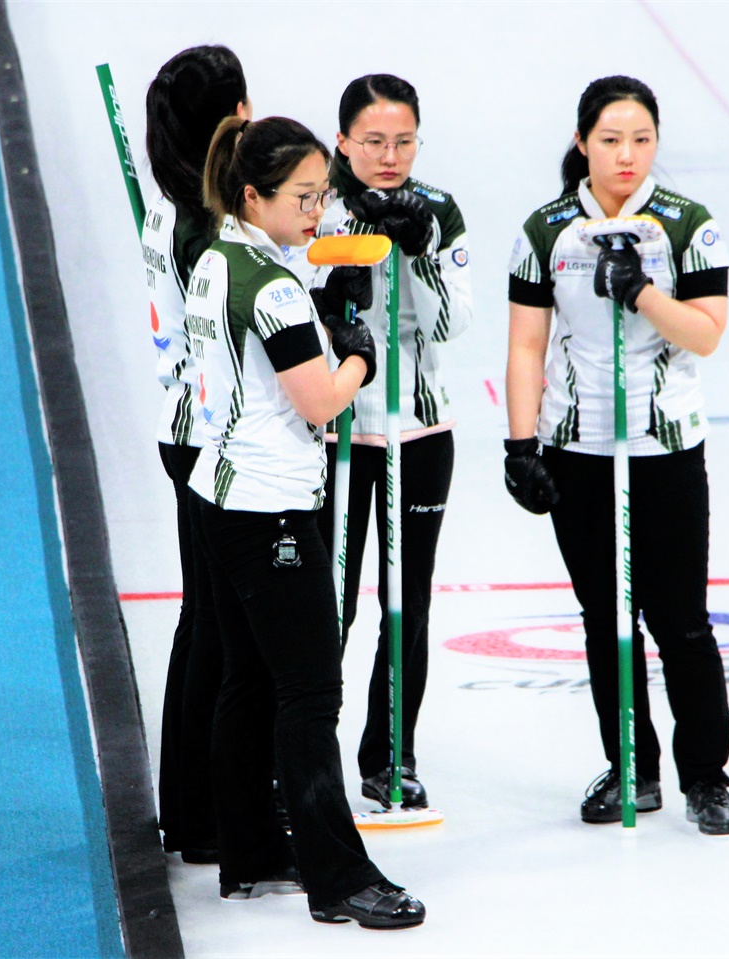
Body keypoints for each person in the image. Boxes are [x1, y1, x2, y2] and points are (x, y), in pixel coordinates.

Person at [186, 114, 425, 927]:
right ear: (254, 194)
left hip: (221, 490)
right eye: (302, 197)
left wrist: (321, 325)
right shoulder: (275, 284)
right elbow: (321, 399)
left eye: (322, 195)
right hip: (272, 505)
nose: (318, 211)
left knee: (249, 678)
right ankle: (340, 876)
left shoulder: (218, 258)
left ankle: (250, 851)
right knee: (311, 689)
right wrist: (357, 351)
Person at [503, 75, 729, 835]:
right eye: (610, 140)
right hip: (577, 451)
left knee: (681, 621)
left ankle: (706, 775)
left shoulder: (688, 225)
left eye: (642, 140)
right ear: (582, 143)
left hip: (665, 448)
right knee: (604, 617)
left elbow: (707, 332)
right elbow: (525, 343)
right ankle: (630, 767)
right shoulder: (546, 230)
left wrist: (643, 292)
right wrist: (520, 444)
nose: (627, 156)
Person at [310, 74, 471, 811]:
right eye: (373, 141)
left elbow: (448, 327)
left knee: (406, 602)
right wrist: (333, 287)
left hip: (419, 429)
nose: (389, 155)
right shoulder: (316, 204)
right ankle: (308, 753)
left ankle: (390, 755)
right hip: (336, 429)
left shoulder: (437, 209)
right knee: (328, 605)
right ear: (343, 140)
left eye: (403, 141)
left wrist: (423, 255)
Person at [142, 45, 250, 863]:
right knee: (220, 623)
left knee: (205, 616)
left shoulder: (177, 203)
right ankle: (206, 810)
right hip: (211, 432)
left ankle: (188, 804)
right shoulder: (204, 222)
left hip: (184, 425)